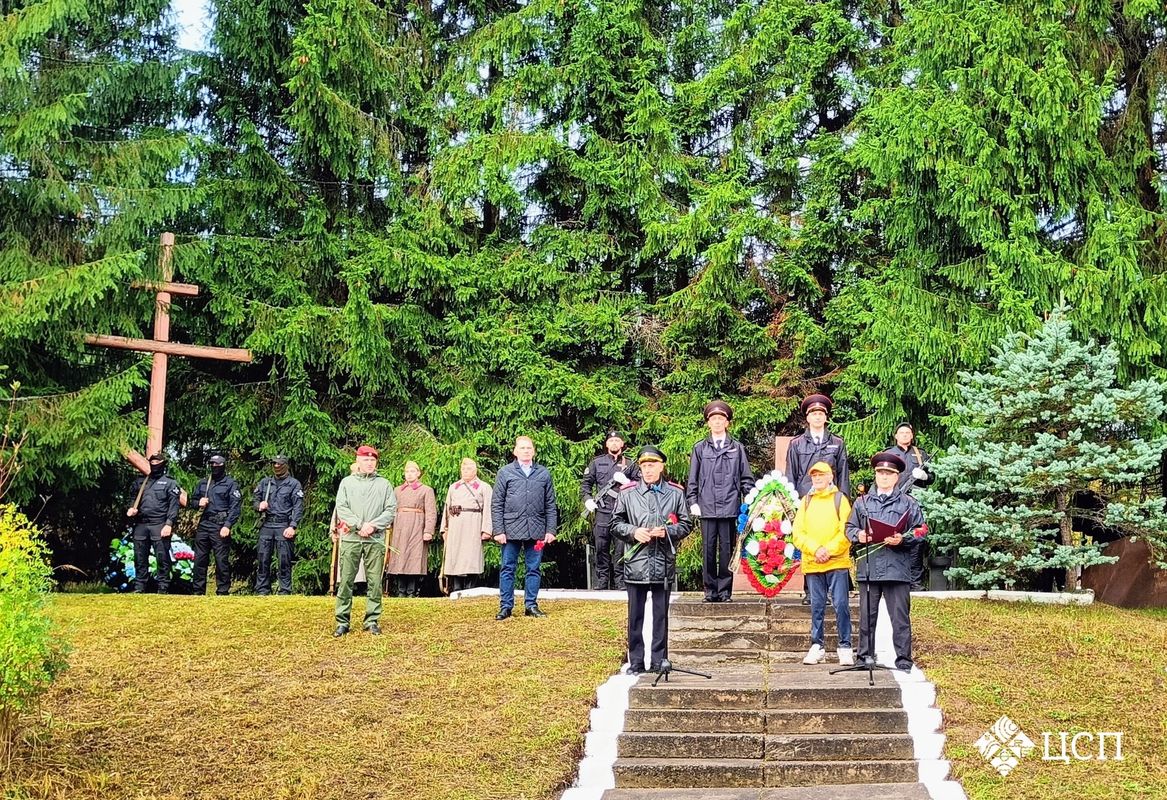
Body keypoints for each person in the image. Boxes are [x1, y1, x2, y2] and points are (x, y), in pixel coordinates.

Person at [611, 445, 692, 674]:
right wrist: (634, 531)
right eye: (644, 466)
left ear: (661, 467)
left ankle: (659, 661)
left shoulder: (675, 493)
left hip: (662, 562)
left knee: (660, 617)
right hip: (636, 562)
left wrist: (667, 532)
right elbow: (615, 523)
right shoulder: (627, 493)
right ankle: (636, 662)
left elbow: (686, 524)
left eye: (652, 465)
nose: (647, 470)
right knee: (635, 616)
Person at [845, 452, 926, 672]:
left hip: (897, 568)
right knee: (866, 617)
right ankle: (864, 657)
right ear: (875, 475)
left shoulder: (909, 503)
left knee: (900, 618)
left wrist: (903, 538)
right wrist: (858, 535)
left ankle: (904, 659)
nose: (884, 476)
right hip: (869, 567)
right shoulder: (861, 502)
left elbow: (921, 531)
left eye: (889, 473)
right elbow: (849, 527)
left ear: (897, 477)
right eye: (880, 472)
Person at [686, 400, 755, 603]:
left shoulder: (737, 448)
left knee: (726, 550)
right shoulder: (700, 448)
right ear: (708, 423)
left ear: (727, 423)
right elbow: (693, 478)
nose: (717, 422)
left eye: (721, 419)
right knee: (708, 550)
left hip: (729, 506)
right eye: (713, 419)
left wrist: (749, 499)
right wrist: (692, 501)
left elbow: (746, 478)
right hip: (706, 506)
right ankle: (710, 590)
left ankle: (725, 591)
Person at [790, 462, 854, 666]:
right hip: (813, 562)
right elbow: (798, 533)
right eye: (814, 476)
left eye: (821, 475)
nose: (817, 479)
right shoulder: (805, 501)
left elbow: (847, 530)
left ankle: (845, 646)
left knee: (841, 604)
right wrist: (815, 549)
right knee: (817, 606)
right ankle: (817, 646)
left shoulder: (840, 499)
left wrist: (828, 550)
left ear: (830, 477)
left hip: (837, 562)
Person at [333, 444, 398, 636]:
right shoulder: (347, 483)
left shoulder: (384, 484)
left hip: (374, 540)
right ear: (358, 461)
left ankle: (372, 620)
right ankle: (342, 621)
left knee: (374, 581)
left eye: (372, 460)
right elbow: (342, 507)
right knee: (346, 580)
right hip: (351, 538)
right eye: (366, 460)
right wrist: (359, 525)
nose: (369, 463)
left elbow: (391, 509)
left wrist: (373, 525)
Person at [491, 435, 558, 619]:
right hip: (510, 529)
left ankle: (531, 605)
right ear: (515, 451)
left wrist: (551, 530)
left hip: (536, 529)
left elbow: (550, 504)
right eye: (522, 448)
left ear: (534, 451)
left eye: (529, 448)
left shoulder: (543, 473)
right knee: (507, 568)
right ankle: (506, 607)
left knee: (534, 568)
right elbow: (497, 503)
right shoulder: (505, 472)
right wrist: (499, 530)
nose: (526, 451)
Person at [581, 430, 640, 590]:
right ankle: (602, 581)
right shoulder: (597, 463)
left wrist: (627, 481)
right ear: (607, 444)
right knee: (601, 547)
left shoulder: (630, 464)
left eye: (617, 440)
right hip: (602, 512)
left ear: (622, 444)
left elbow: (640, 486)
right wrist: (588, 500)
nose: (614, 443)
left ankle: (620, 582)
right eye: (611, 441)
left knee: (621, 549)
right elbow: (586, 485)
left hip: (622, 514)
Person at [125, 452, 181, 593]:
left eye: (157, 463)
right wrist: (131, 508)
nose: (154, 465)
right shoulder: (140, 482)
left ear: (163, 464)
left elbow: (174, 506)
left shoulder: (170, 483)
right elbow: (132, 498)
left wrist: (169, 524)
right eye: (152, 462)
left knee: (162, 557)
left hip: (159, 524)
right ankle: (139, 587)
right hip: (141, 524)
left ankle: (163, 587)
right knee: (139, 557)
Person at [190, 454, 242, 595]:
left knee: (221, 560)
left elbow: (235, 507)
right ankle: (198, 591)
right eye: (212, 464)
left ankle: (222, 591)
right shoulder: (203, 483)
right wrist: (198, 502)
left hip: (220, 525)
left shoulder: (231, 484)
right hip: (204, 524)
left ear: (223, 466)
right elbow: (192, 501)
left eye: (217, 464)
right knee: (200, 559)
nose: (214, 467)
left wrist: (227, 525)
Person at [440, 458, 493, 594]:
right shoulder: (454, 487)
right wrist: (444, 529)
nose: (465, 471)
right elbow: (447, 508)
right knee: (456, 556)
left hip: (473, 524)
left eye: (468, 469)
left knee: (471, 556)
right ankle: (456, 589)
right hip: (455, 525)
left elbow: (488, 509)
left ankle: (470, 589)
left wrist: (487, 530)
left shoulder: (484, 487)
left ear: (475, 471)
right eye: (463, 469)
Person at [253, 454, 304, 595]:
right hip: (266, 524)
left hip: (283, 525)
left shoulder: (294, 484)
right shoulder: (265, 482)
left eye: (279, 464)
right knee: (263, 558)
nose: (276, 466)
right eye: (274, 464)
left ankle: (285, 591)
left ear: (285, 465)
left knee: (284, 560)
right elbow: (255, 500)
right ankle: (262, 590)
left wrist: (292, 526)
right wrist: (259, 506)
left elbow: (298, 507)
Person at [890, 421, 932, 590]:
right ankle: (896, 579)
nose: (905, 435)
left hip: (917, 504)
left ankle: (915, 582)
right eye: (902, 433)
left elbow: (932, 477)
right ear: (896, 436)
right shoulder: (889, 454)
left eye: (908, 433)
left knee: (917, 539)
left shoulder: (920, 454)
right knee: (895, 538)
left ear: (912, 435)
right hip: (894, 503)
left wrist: (924, 476)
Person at [785, 394, 851, 499]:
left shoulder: (837, 443)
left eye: (820, 414)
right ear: (808, 418)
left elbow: (843, 476)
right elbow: (790, 476)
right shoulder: (796, 444)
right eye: (814, 414)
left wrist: (844, 500)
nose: (817, 417)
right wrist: (790, 502)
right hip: (804, 499)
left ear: (825, 417)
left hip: (831, 499)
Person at [388, 461, 437, 597]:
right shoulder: (397, 490)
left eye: (412, 471)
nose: (409, 474)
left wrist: (428, 530)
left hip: (417, 527)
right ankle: (401, 591)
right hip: (400, 527)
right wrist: (388, 524)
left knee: (414, 558)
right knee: (400, 557)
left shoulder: (426, 490)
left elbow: (431, 512)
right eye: (407, 471)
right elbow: (391, 509)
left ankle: (412, 591)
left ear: (418, 473)